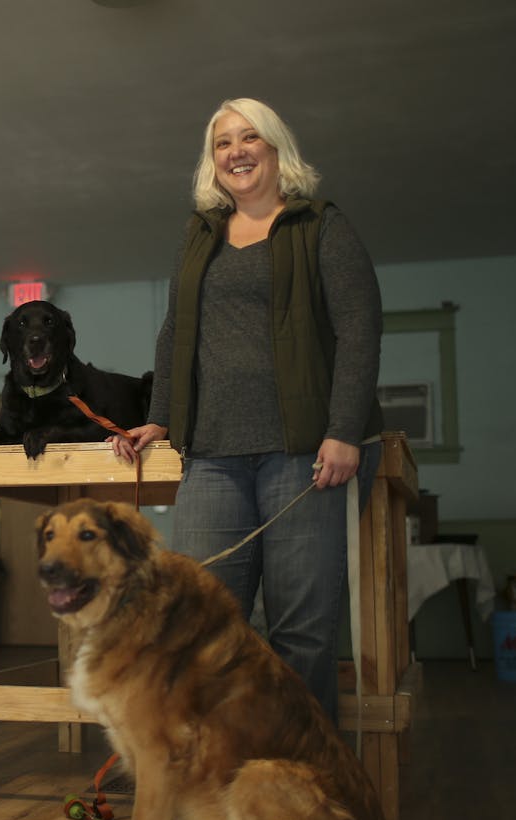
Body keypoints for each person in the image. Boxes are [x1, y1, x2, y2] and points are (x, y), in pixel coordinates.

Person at [111, 97, 384, 722]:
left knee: (301, 634)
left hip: (303, 455)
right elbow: (176, 330)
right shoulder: (199, 233)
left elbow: (359, 331)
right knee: (198, 626)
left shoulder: (321, 225)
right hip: (210, 458)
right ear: (214, 160)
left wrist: (343, 430)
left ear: (274, 147)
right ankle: (212, 782)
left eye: (248, 137)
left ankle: (306, 782)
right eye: (222, 142)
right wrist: (162, 416)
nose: (235, 151)